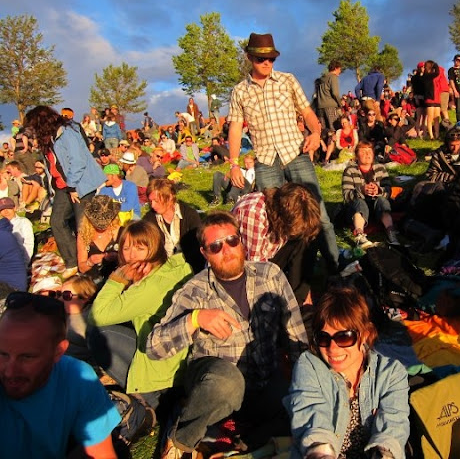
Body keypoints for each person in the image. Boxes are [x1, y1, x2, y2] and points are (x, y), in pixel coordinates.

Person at [146, 211, 308, 456]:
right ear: (205, 253)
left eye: (232, 241)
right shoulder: (195, 290)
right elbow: (154, 347)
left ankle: (240, 443)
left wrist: (303, 375)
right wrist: (195, 319)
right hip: (218, 380)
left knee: (298, 403)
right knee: (228, 383)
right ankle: (180, 441)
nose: (227, 250)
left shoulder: (270, 275)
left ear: (241, 242)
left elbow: (296, 332)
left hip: (263, 381)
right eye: (215, 246)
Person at [227, 33, 340, 272]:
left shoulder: (287, 80)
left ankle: (335, 268)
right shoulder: (239, 91)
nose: (267, 63)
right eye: (261, 59)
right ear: (249, 58)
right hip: (266, 162)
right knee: (276, 220)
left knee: (319, 214)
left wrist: (316, 133)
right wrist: (234, 164)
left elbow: (307, 111)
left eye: (271, 59)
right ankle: (286, 272)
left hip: (295, 153)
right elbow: (235, 127)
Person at [284, 287, 409, 459]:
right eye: (324, 338)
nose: (332, 348)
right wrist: (321, 453)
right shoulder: (309, 366)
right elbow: (311, 414)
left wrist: (384, 454)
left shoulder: (391, 373)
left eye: (344, 337)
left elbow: (393, 425)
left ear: (365, 335)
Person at [0, 291, 121, 457]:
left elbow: (101, 454)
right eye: (2, 354)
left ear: (58, 351)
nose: (10, 371)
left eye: (27, 357)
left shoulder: (77, 378)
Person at [88, 220, 192, 408]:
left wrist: (116, 279)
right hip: (180, 359)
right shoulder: (175, 266)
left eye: (139, 248)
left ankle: (151, 400)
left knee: (99, 335)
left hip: (163, 370)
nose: (131, 255)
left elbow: (97, 315)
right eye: (126, 248)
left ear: (154, 248)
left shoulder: (148, 287)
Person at [24, 106, 106, 279]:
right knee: (57, 221)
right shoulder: (48, 139)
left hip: (80, 184)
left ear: (41, 122)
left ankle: (91, 268)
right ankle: (72, 262)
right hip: (62, 186)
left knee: (82, 227)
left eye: (33, 127)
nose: (32, 132)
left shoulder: (67, 132)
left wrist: (73, 187)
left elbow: (78, 161)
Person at [232, 182, 321, 304]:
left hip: (268, 257)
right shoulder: (253, 213)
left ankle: (298, 300)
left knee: (307, 240)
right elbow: (255, 270)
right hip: (244, 270)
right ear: (282, 217)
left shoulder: (279, 212)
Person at [342, 141, 399, 249]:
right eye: (363, 152)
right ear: (357, 155)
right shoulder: (350, 171)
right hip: (357, 208)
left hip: (376, 206)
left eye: (369, 151)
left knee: (383, 201)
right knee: (360, 203)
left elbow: (388, 190)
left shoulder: (380, 168)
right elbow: (346, 196)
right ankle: (359, 235)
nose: (367, 154)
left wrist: (378, 190)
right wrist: (361, 190)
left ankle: (391, 233)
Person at [143, 178, 203, 273]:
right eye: (151, 201)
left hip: (190, 267)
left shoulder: (190, 215)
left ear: (170, 197)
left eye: (156, 201)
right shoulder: (149, 220)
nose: (153, 205)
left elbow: (198, 246)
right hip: (161, 269)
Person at [76, 195, 122, 283]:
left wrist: (117, 257)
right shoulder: (83, 234)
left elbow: (131, 260)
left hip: (116, 280)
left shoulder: (119, 231)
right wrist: (90, 262)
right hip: (92, 280)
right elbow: (82, 268)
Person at [0, 196, 34, 266]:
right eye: (2, 209)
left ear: (14, 208)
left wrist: (24, 263)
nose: (6, 212)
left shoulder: (23, 222)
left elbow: (28, 244)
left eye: (8, 208)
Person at [316, 60, 343, 140]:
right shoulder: (333, 77)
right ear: (336, 68)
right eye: (340, 69)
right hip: (330, 106)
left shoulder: (321, 79)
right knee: (334, 129)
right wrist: (340, 104)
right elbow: (335, 93)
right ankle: (334, 147)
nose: (340, 72)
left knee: (324, 131)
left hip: (320, 107)